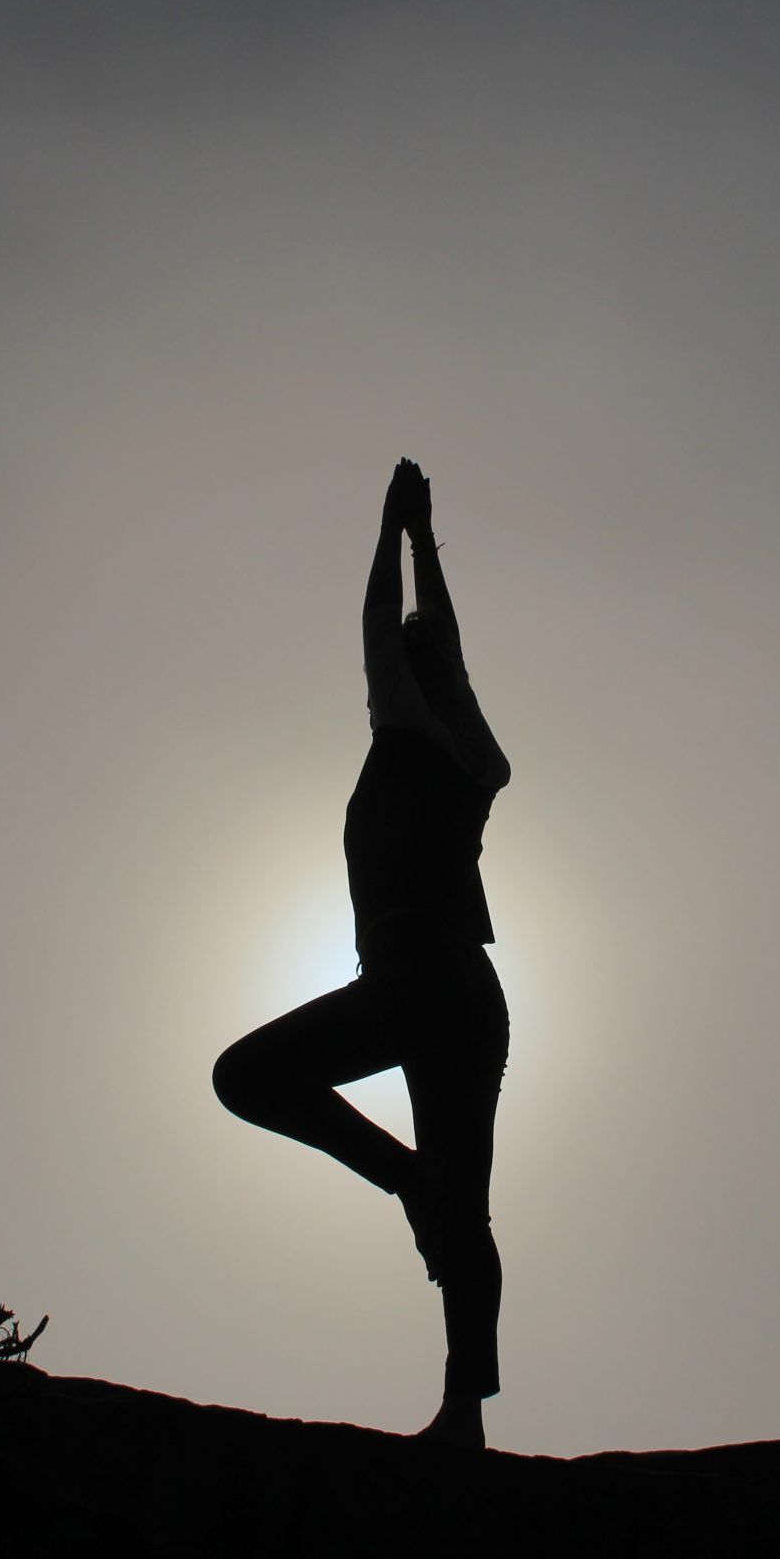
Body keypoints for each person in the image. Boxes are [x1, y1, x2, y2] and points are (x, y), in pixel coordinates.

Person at [213, 457, 513, 1450]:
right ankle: (464, 1413)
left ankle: (403, 1181)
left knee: (247, 1076)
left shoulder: (408, 731)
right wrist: (427, 542)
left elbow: (388, 631)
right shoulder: (477, 761)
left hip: (414, 970)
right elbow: (448, 648)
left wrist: (392, 534)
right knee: (467, 1210)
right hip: (474, 990)